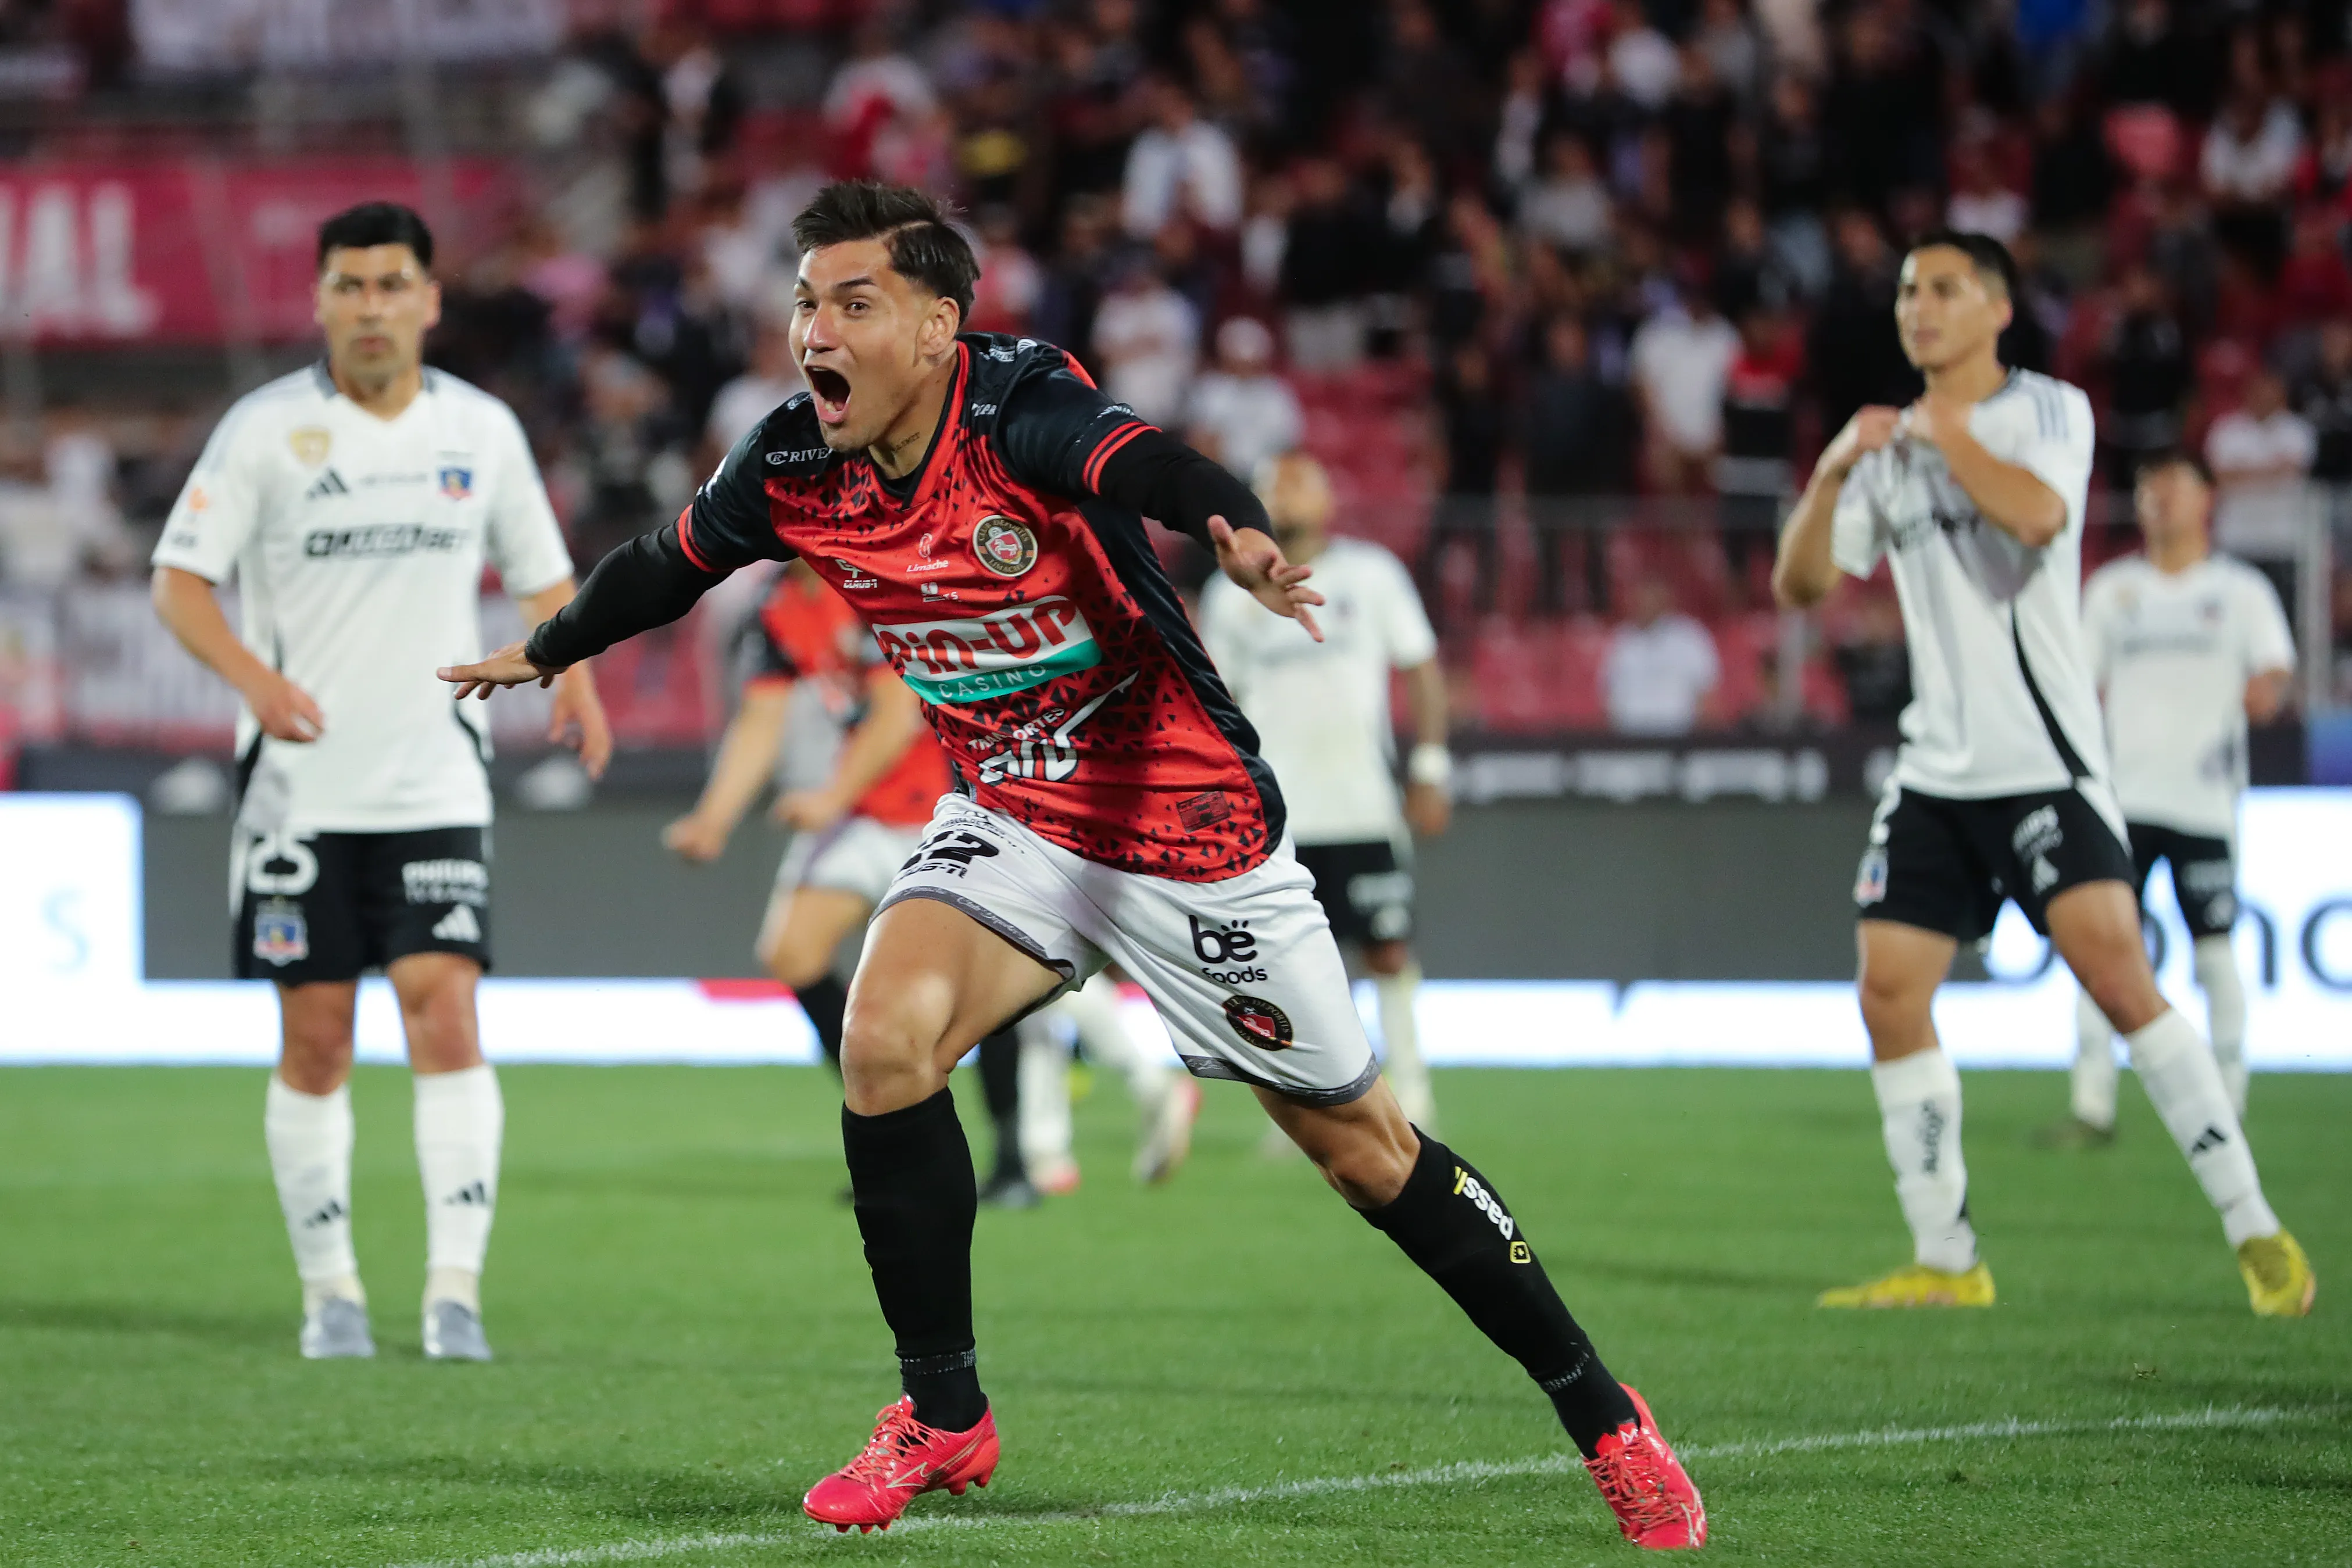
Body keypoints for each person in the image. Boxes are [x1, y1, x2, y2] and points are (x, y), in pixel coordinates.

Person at [444, 180, 1704, 1549]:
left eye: (854, 302)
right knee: (884, 1034)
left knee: (1367, 1156)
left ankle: (1606, 1414)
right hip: (1021, 816)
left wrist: (1231, 521)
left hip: (1190, 830)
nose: (818, 329)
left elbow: (1149, 466)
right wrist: (555, 645)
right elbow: (669, 562)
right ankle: (942, 1414)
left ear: (938, 327)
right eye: (807, 301)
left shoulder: (1021, 411)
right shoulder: (794, 461)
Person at [1771, 228, 2312, 1319]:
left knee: (2120, 982)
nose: (1919, 308)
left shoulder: (2047, 409)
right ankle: (1946, 1255)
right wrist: (1834, 471)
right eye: (1909, 292)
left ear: (1997, 310)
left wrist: (1936, 434)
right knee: (1888, 994)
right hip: (1936, 768)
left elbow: (2037, 515)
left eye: (1945, 290)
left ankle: (2256, 1228)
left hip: (2042, 768)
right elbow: (1802, 583)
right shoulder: (1884, 446)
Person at [150, 202, 613, 1362]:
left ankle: (453, 1293)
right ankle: (331, 1294)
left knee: (444, 1008)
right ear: (318, 301)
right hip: (300, 792)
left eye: (391, 284)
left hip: (434, 778)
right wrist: (253, 678)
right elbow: (179, 583)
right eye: (349, 287)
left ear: (429, 299)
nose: (371, 307)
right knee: (318, 1037)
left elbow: (547, 578)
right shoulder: (263, 432)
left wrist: (575, 677)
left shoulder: (483, 429)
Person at [2043, 452, 2294, 1147]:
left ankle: (2228, 1104)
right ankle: (2091, 1105)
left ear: (2205, 500)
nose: (2157, 499)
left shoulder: (2238, 591)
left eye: (2173, 487)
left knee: (2213, 951)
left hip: (2203, 801)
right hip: (2120, 801)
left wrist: (2264, 691)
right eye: (2147, 487)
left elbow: (2273, 668)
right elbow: (2075, 682)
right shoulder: (2113, 591)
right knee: (2100, 953)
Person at [1200, 452, 1450, 1132]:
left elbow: (1421, 669)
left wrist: (1428, 766)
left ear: (1330, 495)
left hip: (1362, 801)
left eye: (1302, 478)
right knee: (1289, 968)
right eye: (1276, 483)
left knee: (1388, 949)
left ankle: (1415, 1094)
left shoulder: (1372, 575)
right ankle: (1310, 1110)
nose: (1289, 492)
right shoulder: (1232, 596)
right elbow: (1217, 704)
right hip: (1278, 815)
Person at [1602, 577, 1722, 736]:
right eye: (1643, 598)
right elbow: (1609, 696)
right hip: (1630, 741)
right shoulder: (1622, 641)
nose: (1647, 604)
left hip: (1681, 739)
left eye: (1653, 598)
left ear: (1666, 600)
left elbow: (1707, 692)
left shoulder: (1691, 636)